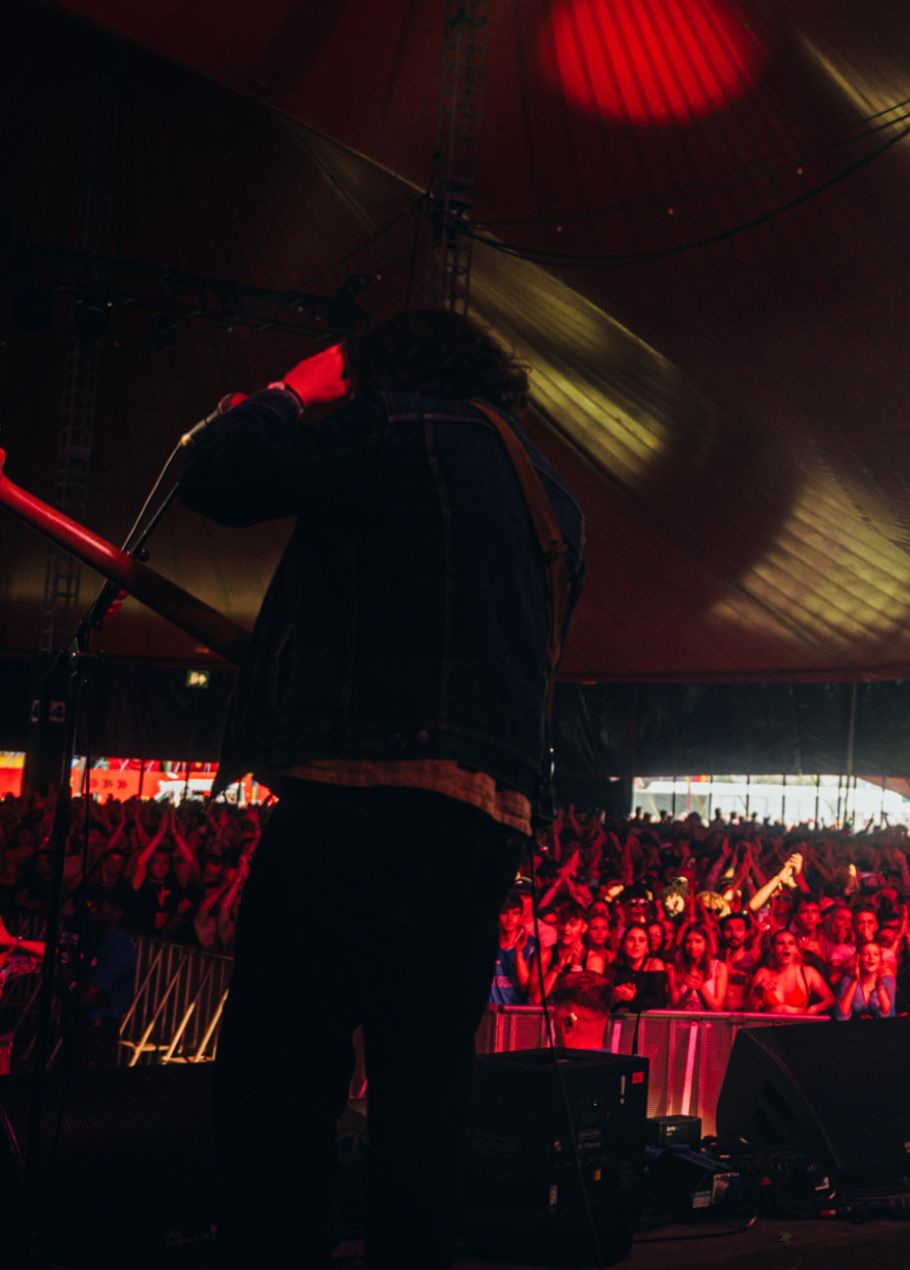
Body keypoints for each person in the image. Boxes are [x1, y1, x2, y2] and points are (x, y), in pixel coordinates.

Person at [182, 309, 585, 1268]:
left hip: (361, 793)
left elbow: (219, 476)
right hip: (485, 820)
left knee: (281, 1080)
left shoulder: (396, 425)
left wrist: (294, 390)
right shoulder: (552, 496)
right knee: (426, 1096)